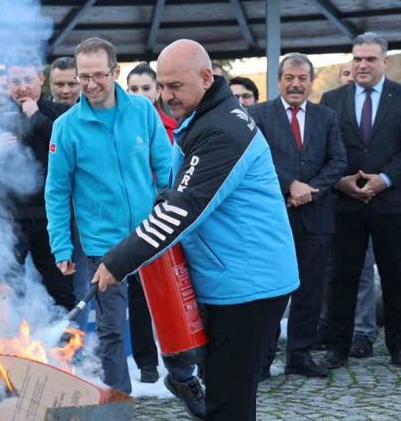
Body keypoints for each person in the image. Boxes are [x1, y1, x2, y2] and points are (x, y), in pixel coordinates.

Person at [91, 39, 299, 420]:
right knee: (222, 391)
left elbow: (183, 209)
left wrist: (118, 262)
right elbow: (184, 187)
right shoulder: (204, 115)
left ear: (206, 77)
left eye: (175, 86)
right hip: (229, 278)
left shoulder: (222, 130)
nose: (166, 96)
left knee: (228, 402)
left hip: (249, 284)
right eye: (162, 85)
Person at [45, 37, 172, 394]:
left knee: (171, 313)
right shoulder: (66, 127)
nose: (89, 84)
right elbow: (56, 190)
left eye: (97, 75)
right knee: (111, 328)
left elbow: (164, 165)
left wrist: (172, 212)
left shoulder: (143, 111)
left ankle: (186, 380)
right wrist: (61, 247)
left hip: (152, 234)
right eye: (83, 76)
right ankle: (119, 398)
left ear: (114, 71)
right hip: (104, 244)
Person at [320, 32, 401, 370]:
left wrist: (384, 180)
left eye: (369, 59)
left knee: (396, 277)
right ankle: (337, 346)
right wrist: (341, 182)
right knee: (342, 277)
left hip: (390, 203)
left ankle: (399, 347)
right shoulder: (332, 99)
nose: (362, 64)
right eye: (357, 58)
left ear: (384, 61)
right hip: (346, 202)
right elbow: (324, 149)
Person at [250, 53, 347, 378]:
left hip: (316, 217)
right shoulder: (258, 114)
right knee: (270, 290)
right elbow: (256, 159)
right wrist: (289, 184)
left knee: (311, 289)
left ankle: (300, 355)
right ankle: (261, 357)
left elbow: (338, 161)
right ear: (278, 81)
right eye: (289, 78)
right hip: (273, 217)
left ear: (311, 81)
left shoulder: (326, 117)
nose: (295, 84)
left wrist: (309, 189)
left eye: (302, 78)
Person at [0, 50, 76, 312]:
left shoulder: (60, 114)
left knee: (60, 288)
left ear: (40, 78)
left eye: (27, 79)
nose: (22, 87)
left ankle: (66, 346)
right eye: (15, 82)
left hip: (53, 220)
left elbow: (71, 152)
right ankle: (15, 345)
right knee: (9, 288)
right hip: (11, 219)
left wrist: (38, 119)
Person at [317, 61, 380, 359]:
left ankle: (363, 331)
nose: (348, 79)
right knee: (334, 271)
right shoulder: (329, 107)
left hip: (372, 198)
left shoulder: (378, 105)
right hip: (334, 199)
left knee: (364, 271)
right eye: (344, 75)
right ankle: (330, 327)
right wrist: (338, 182)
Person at [124, 62, 176, 383]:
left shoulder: (176, 127)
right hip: (134, 223)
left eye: (146, 88)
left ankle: (181, 355)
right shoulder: (119, 128)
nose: (140, 94)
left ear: (158, 91)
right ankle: (146, 363)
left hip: (171, 218)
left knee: (172, 290)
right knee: (138, 294)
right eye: (134, 88)